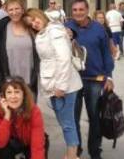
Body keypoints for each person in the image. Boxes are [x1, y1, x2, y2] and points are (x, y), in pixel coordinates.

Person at [27, 8, 81, 159]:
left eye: (35, 18)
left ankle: (72, 155)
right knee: (65, 122)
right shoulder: (44, 31)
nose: (34, 23)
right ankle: (72, 154)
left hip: (63, 85)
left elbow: (63, 58)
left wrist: (61, 86)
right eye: (31, 22)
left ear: (41, 15)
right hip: (54, 83)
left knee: (67, 123)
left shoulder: (54, 31)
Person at [65, 0, 114, 159]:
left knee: (94, 117)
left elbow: (107, 54)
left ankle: (95, 151)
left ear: (87, 10)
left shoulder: (99, 29)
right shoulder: (66, 28)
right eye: (75, 10)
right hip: (73, 80)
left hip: (95, 79)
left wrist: (109, 77)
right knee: (73, 117)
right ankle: (76, 150)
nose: (78, 13)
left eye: (81, 9)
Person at [0, 0, 40, 95]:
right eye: (10, 9)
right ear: (6, 11)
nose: (14, 12)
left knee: (29, 110)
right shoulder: (1, 29)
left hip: (30, 83)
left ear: (22, 9)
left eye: (17, 9)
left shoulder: (32, 27)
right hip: (8, 85)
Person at [0, 76, 45, 159]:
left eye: (17, 92)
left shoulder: (34, 111)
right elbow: (0, 142)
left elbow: (37, 146)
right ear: (4, 96)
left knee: (42, 143)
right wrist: (7, 115)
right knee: (2, 150)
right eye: (9, 92)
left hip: (29, 142)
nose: (13, 96)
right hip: (11, 142)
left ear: (23, 94)